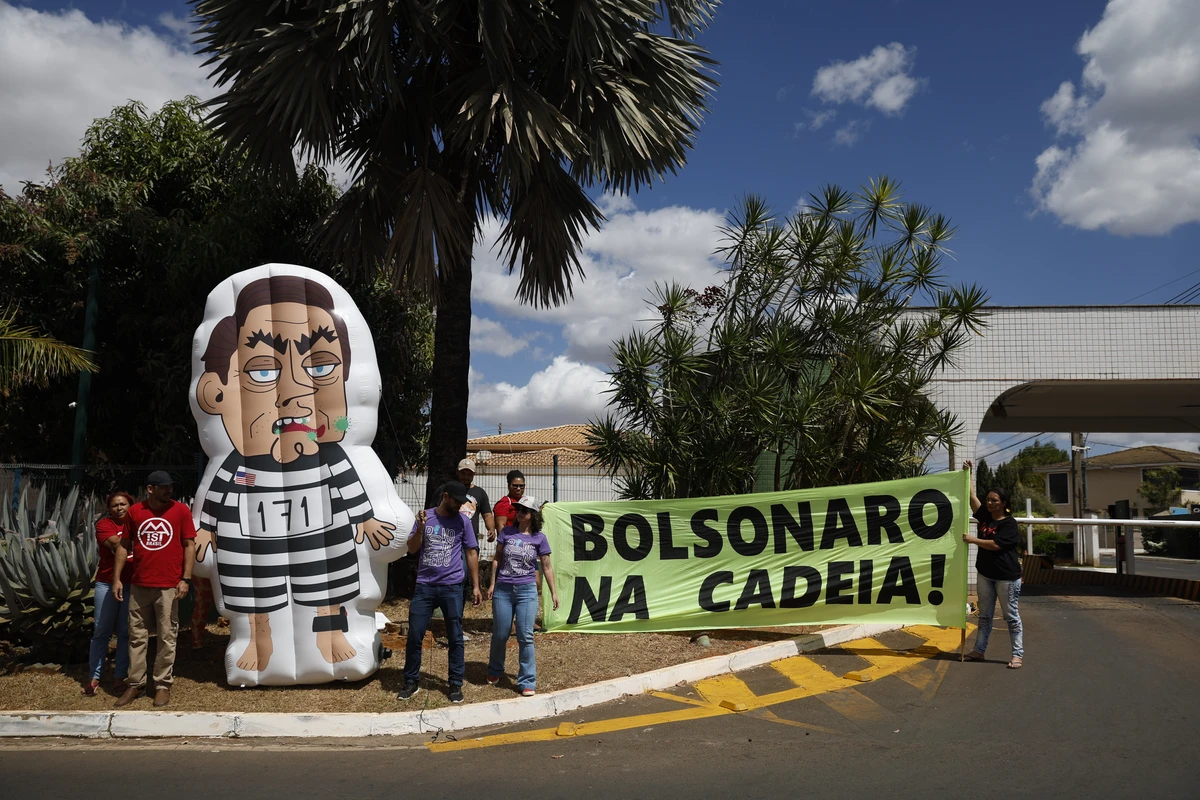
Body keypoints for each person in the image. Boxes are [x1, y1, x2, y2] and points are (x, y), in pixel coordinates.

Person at [193, 274, 397, 671]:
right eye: (263, 372)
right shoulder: (239, 465)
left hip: (323, 530)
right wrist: (207, 527)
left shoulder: (332, 457)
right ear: (215, 394)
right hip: (252, 533)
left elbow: (349, 484)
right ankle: (259, 635)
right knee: (255, 588)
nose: (295, 394)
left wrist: (367, 518)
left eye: (320, 367)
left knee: (329, 584)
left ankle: (332, 632)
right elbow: (218, 492)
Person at [113, 471, 197, 707]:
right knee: (136, 637)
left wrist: (185, 579)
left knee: (167, 637)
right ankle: (135, 684)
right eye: (163, 487)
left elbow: (189, 545)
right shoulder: (135, 512)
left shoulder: (180, 511)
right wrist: (117, 579)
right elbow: (123, 546)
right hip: (139, 585)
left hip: (169, 586)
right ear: (150, 489)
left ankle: (162, 685)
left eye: (170, 486)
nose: (168, 490)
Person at [397, 480, 482, 703]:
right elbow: (412, 548)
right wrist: (421, 529)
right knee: (415, 634)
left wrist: (475, 585)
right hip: (425, 585)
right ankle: (411, 681)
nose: (459, 506)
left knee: (455, 636)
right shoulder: (426, 517)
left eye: (462, 502)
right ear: (445, 496)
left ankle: (455, 684)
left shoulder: (463, 521)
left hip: (452, 586)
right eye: (456, 501)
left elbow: (471, 552)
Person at [486, 494, 558, 696]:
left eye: (524, 510)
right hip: (503, 589)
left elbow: (546, 566)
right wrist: (492, 583)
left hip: (527, 591)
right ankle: (495, 669)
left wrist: (552, 592)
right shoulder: (507, 533)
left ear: (532, 515)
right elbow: (497, 558)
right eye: (517, 509)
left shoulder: (539, 538)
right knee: (500, 633)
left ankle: (527, 681)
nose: (519, 512)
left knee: (525, 636)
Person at [962, 460, 1024, 669]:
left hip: (1007, 577)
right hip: (985, 575)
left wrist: (974, 540)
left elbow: (996, 544)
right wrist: (968, 472)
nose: (989, 503)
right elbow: (972, 497)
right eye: (988, 500)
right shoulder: (985, 518)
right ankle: (979, 650)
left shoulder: (1009, 524)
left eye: (994, 500)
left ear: (1004, 503)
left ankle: (1017, 655)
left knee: (1011, 616)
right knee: (984, 615)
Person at [83, 491, 135, 696]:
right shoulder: (104, 525)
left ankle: (119, 676)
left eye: (124, 504)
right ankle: (94, 676)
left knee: (125, 632)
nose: (120, 508)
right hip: (106, 583)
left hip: (132, 584)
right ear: (109, 509)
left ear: (131, 506)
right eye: (115, 505)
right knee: (101, 630)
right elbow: (116, 545)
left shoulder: (139, 523)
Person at [455, 458, 496, 544]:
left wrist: (491, 529)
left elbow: (487, 515)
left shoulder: (480, 493)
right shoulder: (449, 490)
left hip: (471, 538)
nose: (465, 477)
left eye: (469, 474)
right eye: (463, 473)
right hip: (452, 536)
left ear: (474, 474)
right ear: (457, 472)